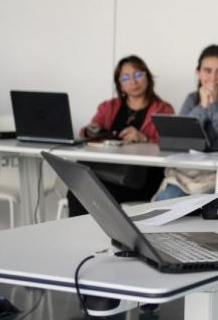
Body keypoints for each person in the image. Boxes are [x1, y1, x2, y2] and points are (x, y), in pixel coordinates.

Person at [67, 55, 174, 217]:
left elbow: (172, 144)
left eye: (138, 75)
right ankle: (82, 238)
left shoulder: (163, 109)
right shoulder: (109, 107)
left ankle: (102, 237)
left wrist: (144, 138)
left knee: (93, 192)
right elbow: (86, 132)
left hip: (144, 179)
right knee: (77, 191)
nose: (133, 81)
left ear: (148, 77)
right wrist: (92, 131)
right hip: (109, 172)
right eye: (125, 77)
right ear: (120, 85)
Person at [155, 44, 218, 199]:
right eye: (207, 71)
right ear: (198, 73)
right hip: (191, 175)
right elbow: (178, 142)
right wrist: (202, 107)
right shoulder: (192, 99)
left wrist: (214, 105)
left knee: (213, 205)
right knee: (166, 199)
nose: (213, 78)